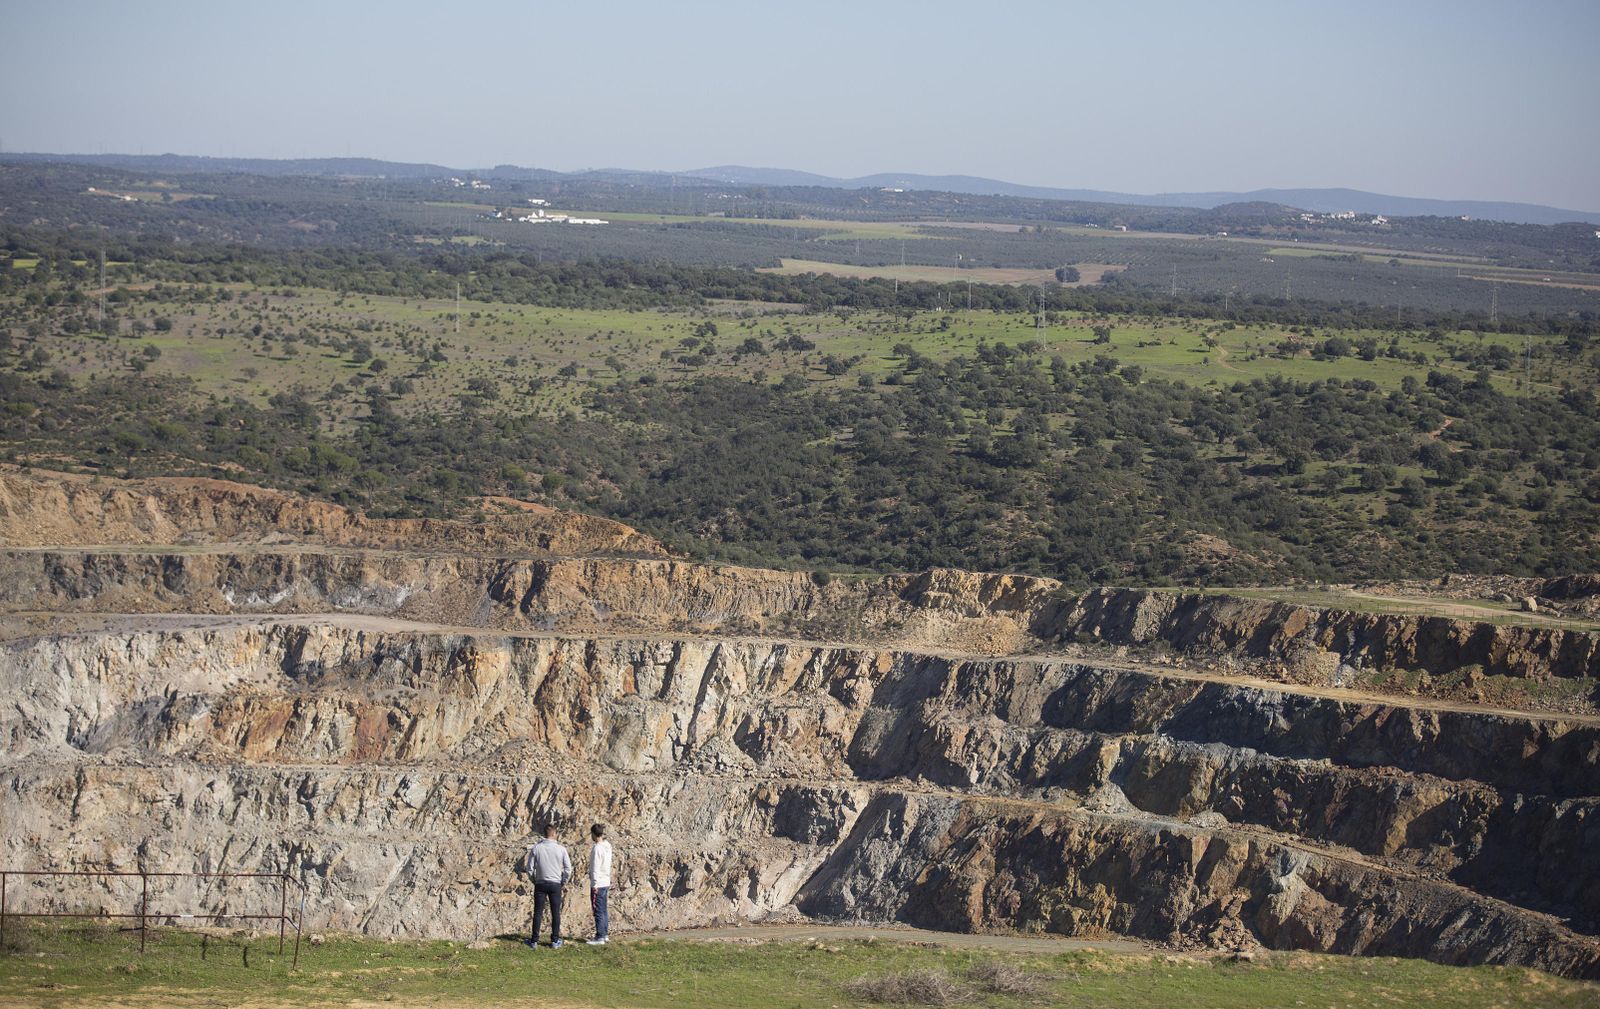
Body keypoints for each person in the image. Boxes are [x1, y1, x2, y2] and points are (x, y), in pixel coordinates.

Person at [525, 822, 572, 949]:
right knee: (555, 912)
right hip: (556, 883)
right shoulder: (561, 849)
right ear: (554, 834)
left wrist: (534, 880)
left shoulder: (536, 848)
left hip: (540, 883)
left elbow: (529, 868)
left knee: (538, 912)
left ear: (544, 834)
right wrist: (563, 880)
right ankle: (554, 940)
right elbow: (568, 869)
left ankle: (534, 941)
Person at [586, 823, 613, 945]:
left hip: (599, 882)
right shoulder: (607, 846)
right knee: (603, 910)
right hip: (606, 880)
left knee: (598, 910)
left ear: (593, 834)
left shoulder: (597, 848)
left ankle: (600, 936)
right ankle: (605, 933)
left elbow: (595, 867)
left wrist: (594, 884)